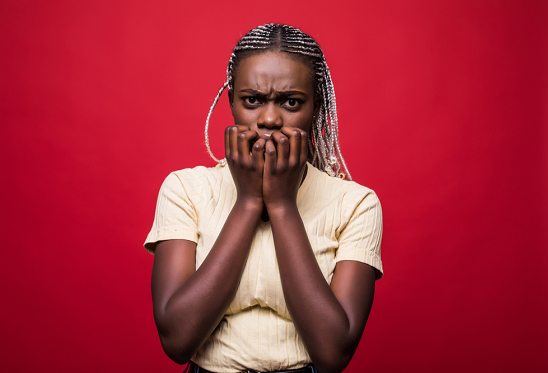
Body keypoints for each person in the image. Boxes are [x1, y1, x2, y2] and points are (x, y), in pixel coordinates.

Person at [144, 24, 383, 373]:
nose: (269, 119)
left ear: (316, 106)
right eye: (252, 100)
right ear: (231, 102)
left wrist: (283, 206)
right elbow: (177, 340)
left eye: (291, 102)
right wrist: (248, 202)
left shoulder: (356, 204)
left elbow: (333, 353)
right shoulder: (185, 189)